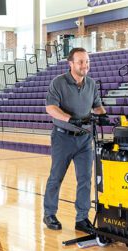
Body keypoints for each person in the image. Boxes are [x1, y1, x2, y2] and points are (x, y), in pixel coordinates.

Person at [43, 47, 106, 234]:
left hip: (85, 139)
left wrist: (105, 116)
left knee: (85, 179)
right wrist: (70, 119)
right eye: (80, 62)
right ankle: (49, 213)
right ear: (70, 64)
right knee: (56, 176)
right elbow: (51, 108)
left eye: (87, 61)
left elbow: (97, 106)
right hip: (63, 137)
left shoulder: (91, 84)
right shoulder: (58, 83)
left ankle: (82, 218)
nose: (84, 65)